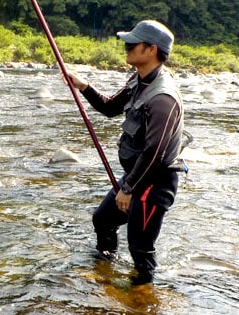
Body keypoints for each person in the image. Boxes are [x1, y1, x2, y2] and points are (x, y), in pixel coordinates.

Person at [66, 19, 184, 285]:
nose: (126, 47)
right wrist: (83, 86)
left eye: (133, 44)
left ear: (151, 49)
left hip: (154, 183)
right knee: (103, 220)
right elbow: (110, 108)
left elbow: (155, 152)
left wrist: (128, 188)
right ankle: (103, 275)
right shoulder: (138, 81)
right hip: (136, 178)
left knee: (140, 248)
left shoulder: (163, 98)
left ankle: (142, 301)